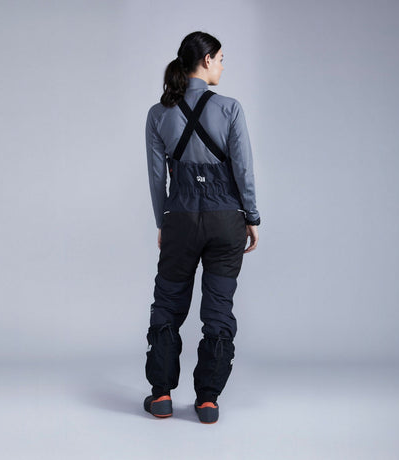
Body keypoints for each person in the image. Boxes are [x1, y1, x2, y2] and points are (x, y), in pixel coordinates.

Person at [143, 31, 260, 424]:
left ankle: (161, 395)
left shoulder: (158, 113)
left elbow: (156, 178)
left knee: (167, 303)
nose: (223, 66)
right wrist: (252, 217)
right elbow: (243, 169)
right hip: (227, 221)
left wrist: (163, 222)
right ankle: (207, 400)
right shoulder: (230, 108)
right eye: (221, 59)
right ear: (206, 59)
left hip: (180, 220)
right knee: (218, 309)